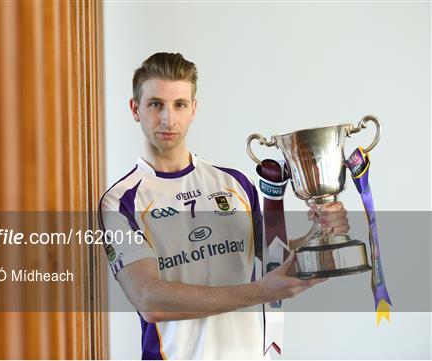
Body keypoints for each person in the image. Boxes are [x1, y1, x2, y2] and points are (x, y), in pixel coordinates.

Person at [98, 52, 349, 359]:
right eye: (155, 104)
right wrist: (260, 292)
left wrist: (321, 234)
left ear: (194, 109)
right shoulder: (121, 201)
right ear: (135, 109)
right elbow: (150, 300)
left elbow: (274, 260)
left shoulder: (234, 183)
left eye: (179, 104)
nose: (168, 118)